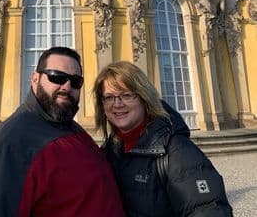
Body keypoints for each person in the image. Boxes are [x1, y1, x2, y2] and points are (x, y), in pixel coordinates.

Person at [0, 47, 125, 217]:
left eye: (75, 81)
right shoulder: (9, 142)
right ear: (35, 79)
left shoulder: (68, 125)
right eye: (56, 77)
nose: (66, 86)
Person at [93, 61, 233, 216]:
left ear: (144, 98)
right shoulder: (109, 152)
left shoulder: (176, 151)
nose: (117, 104)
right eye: (109, 97)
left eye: (126, 95)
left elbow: (209, 209)